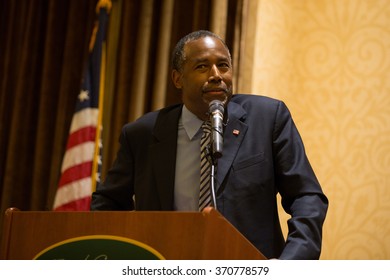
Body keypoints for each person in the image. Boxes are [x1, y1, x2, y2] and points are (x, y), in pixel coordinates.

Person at [91, 30, 328, 259]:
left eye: (223, 65)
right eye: (202, 66)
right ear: (177, 78)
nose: (216, 74)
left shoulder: (267, 119)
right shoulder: (143, 134)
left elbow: (306, 196)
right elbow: (107, 205)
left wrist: (292, 263)